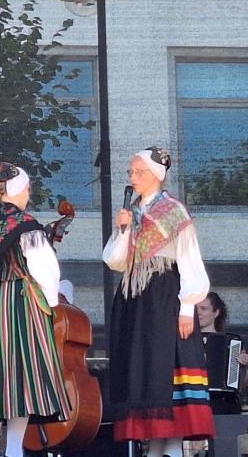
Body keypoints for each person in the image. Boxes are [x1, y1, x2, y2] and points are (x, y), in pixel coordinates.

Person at [103, 146, 215, 457]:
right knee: (144, 369)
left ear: (156, 175)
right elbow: (114, 261)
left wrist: (188, 308)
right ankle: (157, 449)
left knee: (166, 366)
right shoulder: (132, 213)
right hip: (134, 300)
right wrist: (122, 229)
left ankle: (172, 449)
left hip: (165, 298)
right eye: (131, 172)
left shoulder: (174, 212)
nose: (132, 177)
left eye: (138, 172)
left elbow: (190, 262)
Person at [0, 162, 71, 457]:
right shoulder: (27, 225)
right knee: (21, 377)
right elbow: (46, 271)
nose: (28, 193)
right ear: (18, 189)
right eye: (27, 188)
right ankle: (12, 449)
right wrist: (49, 303)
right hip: (23, 299)